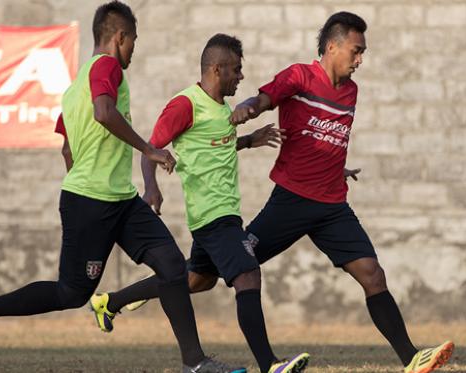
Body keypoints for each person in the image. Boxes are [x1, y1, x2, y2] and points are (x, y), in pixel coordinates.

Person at [89, 11, 455, 373]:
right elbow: (266, 98)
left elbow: (317, 137)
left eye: (363, 53)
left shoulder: (351, 92)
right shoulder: (298, 76)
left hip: (332, 205)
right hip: (290, 204)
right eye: (356, 51)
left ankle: (411, 358)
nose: (360, 60)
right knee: (207, 276)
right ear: (333, 46)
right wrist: (250, 107)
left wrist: (332, 166)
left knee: (372, 274)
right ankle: (121, 300)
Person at [0, 2, 243, 372]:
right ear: (119, 37)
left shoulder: (74, 88)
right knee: (71, 293)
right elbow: (104, 113)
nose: (134, 49)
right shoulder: (107, 67)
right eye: (133, 41)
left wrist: (93, 178)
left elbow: (67, 147)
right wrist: (149, 150)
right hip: (92, 202)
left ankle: (196, 363)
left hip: (118, 199)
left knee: (171, 264)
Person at [88, 33, 309, 373]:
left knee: (194, 281)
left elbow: (214, 147)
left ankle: (110, 302)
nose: (241, 77)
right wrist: (151, 188)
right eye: (236, 70)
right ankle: (270, 365)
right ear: (217, 69)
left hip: (224, 216)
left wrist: (249, 140)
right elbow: (151, 151)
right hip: (212, 217)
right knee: (248, 275)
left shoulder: (221, 108)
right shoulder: (185, 104)